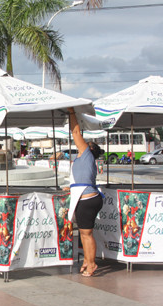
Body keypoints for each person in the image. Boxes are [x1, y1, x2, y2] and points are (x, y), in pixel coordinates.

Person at [62, 108, 104, 277]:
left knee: (86, 234)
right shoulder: (84, 159)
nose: (83, 143)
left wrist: (72, 113)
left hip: (88, 200)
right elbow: (82, 179)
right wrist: (70, 188)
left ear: (89, 149)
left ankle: (92, 264)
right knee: (84, 233)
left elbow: (76, 132)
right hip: (86, 197)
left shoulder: (86, 154)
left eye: (87, 144)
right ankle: (87, 260)